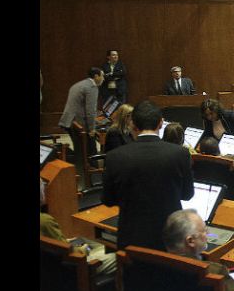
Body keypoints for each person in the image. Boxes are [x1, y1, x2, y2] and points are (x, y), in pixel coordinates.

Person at [102, 100, 194, 250]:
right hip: (170, 238)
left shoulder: (114, 156)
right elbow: (187, 195)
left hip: (131, 240)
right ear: (161, 123)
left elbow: (108, 200)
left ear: (133, 125)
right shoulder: (181, 154)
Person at [40, 178, 117, 276]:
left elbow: (56, 244)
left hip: (51, 265)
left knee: (89, 236)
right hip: (77, 267)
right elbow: (67, 252)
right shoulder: (44, 221)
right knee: (117, 256)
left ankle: (103, 248)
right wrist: (84, 249)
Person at [59, 67, 104, 168]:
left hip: (69, 121)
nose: (103, 79)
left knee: (80, 149)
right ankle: (93, 171)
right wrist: (92, 129)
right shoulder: (92, 87)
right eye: (102, 76)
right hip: (79, 124)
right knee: (91, 149)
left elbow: (80, 104)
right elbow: (90, 111)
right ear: (96, 76)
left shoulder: (79, 84)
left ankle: (81, 169)